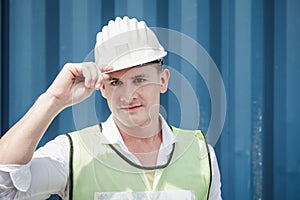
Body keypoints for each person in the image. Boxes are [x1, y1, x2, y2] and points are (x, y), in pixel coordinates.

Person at [0, 16, 221, 199]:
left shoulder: (201, 153)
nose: (127, 95)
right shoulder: (72, 153)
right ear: (102, 89)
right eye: (115, 82)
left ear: (163, 81)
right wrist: (54, 99)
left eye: (140, 79)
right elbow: (6, 189)